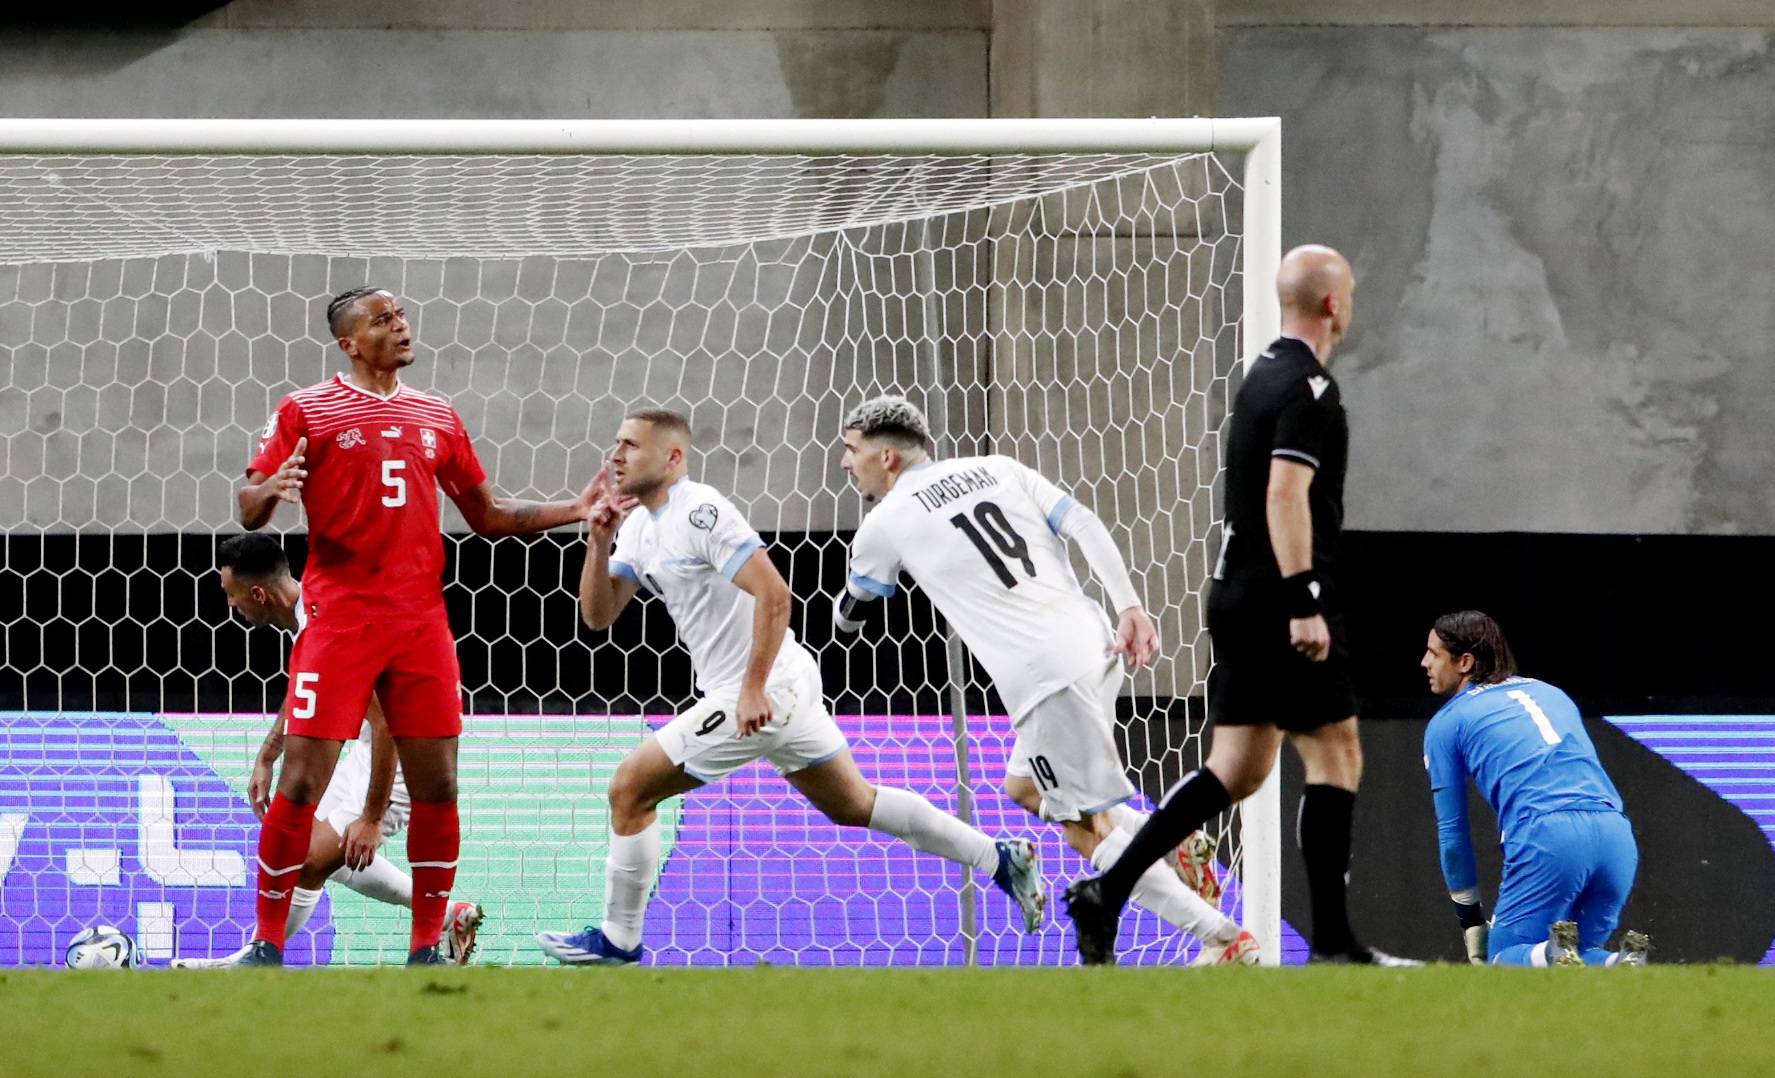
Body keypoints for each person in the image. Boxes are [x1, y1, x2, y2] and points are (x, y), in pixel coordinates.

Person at [534, 408, 1044, 966]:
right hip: (781, 683)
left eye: (631, 444)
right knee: (854, 804)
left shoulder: (700, 512)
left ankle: (619, 940)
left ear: (673, 457)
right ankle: (1000, 859)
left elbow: (776, 595)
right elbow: (598, 616)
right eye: (617, 443)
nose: (616, 454)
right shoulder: (637, 527)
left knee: (629, 789)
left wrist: (752, 689)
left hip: (763, 688)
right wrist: (598, 542)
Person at [1065, 244, 1411, 966]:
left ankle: (1108, 889)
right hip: (1279, 598)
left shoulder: (1261, 374)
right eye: (1347, 290)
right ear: (1331, 304)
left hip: (1235, 593)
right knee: (1336, 751)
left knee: (1239, 767)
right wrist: (1303, 600)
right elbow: (1283, 493)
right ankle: (1337, 946)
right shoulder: (1309, 388)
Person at [236, 286, 598, 966]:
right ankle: (267, 943)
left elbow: (487, 514)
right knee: (301, 786)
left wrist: (576, 507)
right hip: (341, 620)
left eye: (400, 315)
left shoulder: (437, 414)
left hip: (420, 624)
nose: (400, 326)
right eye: (382, 319)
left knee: (438, 787)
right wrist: (269, 490)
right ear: (349, 342)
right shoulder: (305, 408)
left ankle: (427, 944)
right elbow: (250, 503)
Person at [832, 396, 1255, 966]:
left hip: (1045, 675)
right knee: (1025, 789)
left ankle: (1222, 938)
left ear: (885, 457)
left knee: (1086, 828)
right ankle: (1177, 843)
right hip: (1091, 636)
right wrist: (1130, 606)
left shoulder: (885, 521)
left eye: (851, 451)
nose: (844, 463)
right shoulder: (997, 466)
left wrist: (845, 608)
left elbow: (852, 613)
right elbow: (1082, 521)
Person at [172, 533, 482, 967]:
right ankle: (449, 916)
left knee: (311, 861)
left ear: (258, 592)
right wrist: (268, 753)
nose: (230, 604)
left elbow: (388, 721)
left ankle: (258, 958)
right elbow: (304, 686)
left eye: (231, 593)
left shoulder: (331, 622)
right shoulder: (309, 614)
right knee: (310, 851)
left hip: (400, 759)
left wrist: (371, 818)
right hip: (363, 751)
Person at [1421, 610, 1648, 966]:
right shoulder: (1550, 692)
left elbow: (1453, 837)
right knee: (1578, 958)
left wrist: (1471, 921)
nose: (1424, 662)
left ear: (1464, 661)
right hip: (1616, 837)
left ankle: (1553, 954)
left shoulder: (1446, 723)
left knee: (1502, 959)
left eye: (1433, 653)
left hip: (1548, 838)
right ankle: (1617, 963)